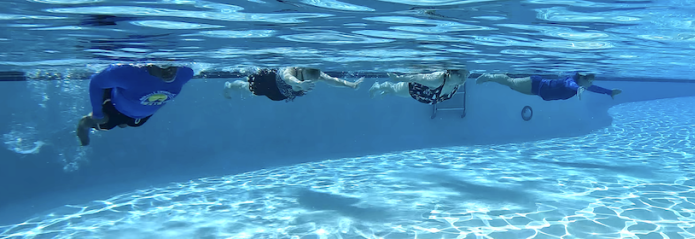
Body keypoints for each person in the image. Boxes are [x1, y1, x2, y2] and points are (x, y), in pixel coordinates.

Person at [76, 64, 195, 146]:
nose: (169, 70)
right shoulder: (129, 73)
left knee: (125, 124)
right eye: (163, 65)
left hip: (140, 116)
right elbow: (96, 82)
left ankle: (123, 122)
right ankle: (84, 127)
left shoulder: (185, 73)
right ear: (151, 62)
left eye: (172, 64)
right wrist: (97, 114)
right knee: (99, 123)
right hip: (114, 106)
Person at [222, 67, 364, 101]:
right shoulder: (291, 70)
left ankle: (232, 86)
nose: (308, 82)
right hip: (270, 83)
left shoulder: (317, 74)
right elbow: (288, 78)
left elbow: (332, 80)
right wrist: (300, 83)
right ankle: (229, 86)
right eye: (304, 78)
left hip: (282, 94)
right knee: (247, 88)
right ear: (300, 69)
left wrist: (351, 85)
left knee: (249, 91)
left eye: (311, 81)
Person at [476, 72, 621, 101]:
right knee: (512, 83)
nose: (590, 83)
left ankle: (496, 76)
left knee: (513, 86)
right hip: (536, 84)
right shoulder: (571, 81)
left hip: (538, 92)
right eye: (589, 79)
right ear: (582, 77)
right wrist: (578, 90)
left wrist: (609, 92)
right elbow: (569, 85)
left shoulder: (583, 85)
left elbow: (594, 88)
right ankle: (489, 77)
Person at [369, 69, 468, 104]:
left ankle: (387, 91)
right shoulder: (437, 80)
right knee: (394, 89)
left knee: (394, 91)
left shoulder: (456, 82)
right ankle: (377, 86)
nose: (463, 79)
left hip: (425, 96)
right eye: (460, 75)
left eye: (465, 75)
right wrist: (399, 78)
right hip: (414, 90)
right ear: (450, 72)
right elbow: (416, 78)